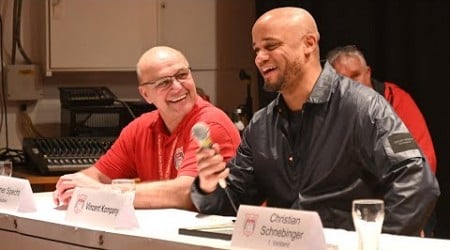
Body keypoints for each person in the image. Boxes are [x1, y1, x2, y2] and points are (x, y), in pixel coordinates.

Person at [190, 7, 440, 236]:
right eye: (256, 50)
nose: (260, 58)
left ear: (309, 44)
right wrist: (209, 186)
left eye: (271, 46)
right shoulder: (260, 126)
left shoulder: (364, 107)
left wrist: (374, 241)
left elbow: (417, 183)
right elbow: (233, 203)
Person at [53, 46, 241, 210]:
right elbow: (98, 176)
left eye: (182, 75)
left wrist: (106, 192)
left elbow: (186, 192)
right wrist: (70, 185)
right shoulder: (141, 127)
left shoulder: (209, 124)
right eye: (164, 82)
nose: (177, 87)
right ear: (146, 94)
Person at [326, 45, 437, 174]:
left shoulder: (395, 100)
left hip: (394, 188)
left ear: (368, 73)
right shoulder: (326, 112)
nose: (351, 85)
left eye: (356, 75)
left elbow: (424, 160)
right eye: (342, 80)